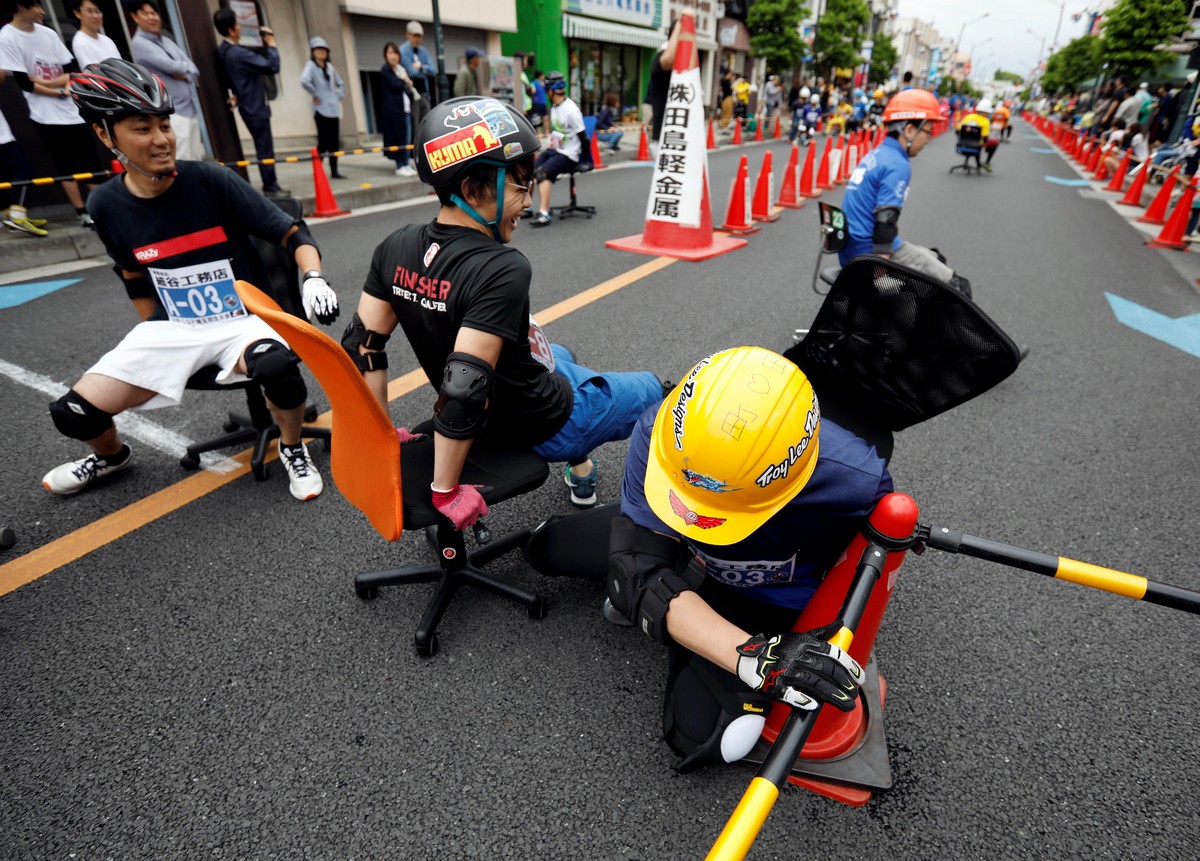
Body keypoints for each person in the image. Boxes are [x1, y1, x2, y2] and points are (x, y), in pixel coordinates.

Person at [345, 96, 665, 514]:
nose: (529, 202)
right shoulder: (501, 267)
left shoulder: (396, 244)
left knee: (560, 356)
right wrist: (445, 491)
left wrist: (383, 435)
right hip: (542, 423)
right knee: (657, 390)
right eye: (519, 186)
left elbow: (361, 344)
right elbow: (464, 385)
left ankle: (581, 466)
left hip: (497, 405)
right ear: (470, 189)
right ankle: (660, 510)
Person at [48, 58, 339, 500]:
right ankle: (111, 457)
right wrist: (154, 329)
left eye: (164, 125)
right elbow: (132, 275)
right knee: (72, 412)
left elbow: (293, 232)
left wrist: (313, 277)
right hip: (178, 329)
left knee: (276, 368)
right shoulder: (106, 205)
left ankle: (292, 446)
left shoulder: (212, 181)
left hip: (243, 322)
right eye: (143, 128)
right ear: (105, 135)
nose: (163, 139)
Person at [603, 346, 884, 771]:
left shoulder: (857, 481)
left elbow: (860, 572)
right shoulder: (657, 431)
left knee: (707, 737)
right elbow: (635, 568)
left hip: (768, 597)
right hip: (679, 552)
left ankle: (678, 620)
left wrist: (782, 643)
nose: (697, 518)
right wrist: (751, 657)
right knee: (554, 551)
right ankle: (676, 615)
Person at [840, 88, 970, 292]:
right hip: (868, 252)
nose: (929, 138)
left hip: (850, 248)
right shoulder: (897, 164)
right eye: (927, 131)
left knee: (937, 258)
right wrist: (879, 275)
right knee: (957, 287)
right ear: (909, 130)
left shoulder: (878, 153)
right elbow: (885, 222)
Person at [0, 0, 104, 229]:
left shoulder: (48, 33)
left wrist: (49, 82)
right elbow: (24, 83)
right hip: (44, 114)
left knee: (91, 161)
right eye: (36, 6)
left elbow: (70, 70)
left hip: (73, 109)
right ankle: (82, 212)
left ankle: (100, 210)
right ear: (20, 7)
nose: (42, 11)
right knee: (65, 164)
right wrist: (57, 92)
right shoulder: (7, 37)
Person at [213, 7, 288, 197]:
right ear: (231, 30)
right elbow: (272, 66)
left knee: (262, 148)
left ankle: (270, 185)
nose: (239, 27)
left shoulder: (224, 51)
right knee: (265, 149)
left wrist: (235, 93)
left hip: (247, 105)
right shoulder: (238, 53)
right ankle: (271, 187)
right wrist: (271, 44)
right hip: (255, 107)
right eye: (237, 24)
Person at [128, 0, 202, 161]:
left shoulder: (167, 41)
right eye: (145, 13)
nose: (152, 17)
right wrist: (183, 70)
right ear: (135, 17)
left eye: (153, 13)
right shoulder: (139, 44)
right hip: (171, 113)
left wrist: (183, 71)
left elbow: (194, 69)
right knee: (180, 159)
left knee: (196, 157)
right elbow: (173, 67)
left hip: (190, 109)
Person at [530, 71, 590, 228]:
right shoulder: (556, 106)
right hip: (556, 149)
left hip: (570, 155)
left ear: (551, 91)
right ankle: (526, 207)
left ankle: (544, 214)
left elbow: (584, 138)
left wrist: (588, 161)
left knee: (543, 173)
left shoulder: (571, 110)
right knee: (530, 169)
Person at [0, 68, 47, 235]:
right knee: (22, 171)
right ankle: (17, 216)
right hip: (2, 138)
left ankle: (9, 217)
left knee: (5, 177)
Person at [299, 36, 345, 179]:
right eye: (318, 49)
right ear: (313, 52)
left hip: (333, 109)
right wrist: (315, 94)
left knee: (334, 143)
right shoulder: (311, 66)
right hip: (320, 110)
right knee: (323, 142)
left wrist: (337, 96)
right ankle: (318, 171)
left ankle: (334, 170)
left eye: (324, 50)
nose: (321, 52)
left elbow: (340, 83)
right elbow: (304, 81)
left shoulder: (330, 68)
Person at [380, 41, 417, 177]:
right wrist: (404, 80)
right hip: (393, 111)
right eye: (390, 53)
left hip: (404, 109)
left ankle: (406, 163)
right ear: (385, 55)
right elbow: (395, 85)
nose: (393, 56)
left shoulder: (399, 69)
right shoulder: (386, 70)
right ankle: (399, 165)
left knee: (407, 138)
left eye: (395, 53)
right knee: (398, 138)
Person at [646, 18, 682, 153]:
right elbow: (666, 61)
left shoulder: (683, 66)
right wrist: (681, 24)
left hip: (679, 138)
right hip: (666, 139)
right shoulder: (663, 56)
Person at [400, 20, 435, 123]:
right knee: (415, 124)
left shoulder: (423, 51)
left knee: (426, 122)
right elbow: (411, 72)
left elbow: (433, 70)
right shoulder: (403, 51)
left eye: (419, 36)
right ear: (408, 35)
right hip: (411, 94)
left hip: (424, 93)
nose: (417, 39)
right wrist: (425, 68)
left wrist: (420, 67)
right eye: (415, 35)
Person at [69, 0, 118, 69]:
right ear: (78, 13)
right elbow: (95, 74)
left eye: (97, 11)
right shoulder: (80, 42)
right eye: (90, 11)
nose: (95, 16)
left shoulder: (107, 40)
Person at [957, 98, 994, 172]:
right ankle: (987, 162)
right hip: (977, 145)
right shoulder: (986, 121)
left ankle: (979, 164)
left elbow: (958, 130)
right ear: (985, 112)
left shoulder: (968, 117)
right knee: (994, 142)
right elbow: (985, 137)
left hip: (962, 143)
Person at [528, 68, 548, 136]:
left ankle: (546, 132)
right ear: (540, 75)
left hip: (543, 102)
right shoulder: (534, 82)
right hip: (537, 103)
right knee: (537, 118)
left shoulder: (543, 83)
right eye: (542, 75)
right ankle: (539, 132)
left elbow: (546, 91)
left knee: (545, 117)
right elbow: (532, 91)